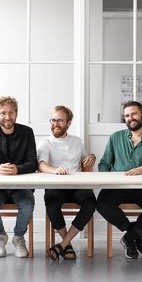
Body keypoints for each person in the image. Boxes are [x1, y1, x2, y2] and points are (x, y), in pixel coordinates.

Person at [97, 101, 142, 259]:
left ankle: (129, 239)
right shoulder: (115, 137)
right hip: (117, 187)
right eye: (127, 115)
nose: (130, 118)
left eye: (134, 114)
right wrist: (108, 179)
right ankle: (133, 234)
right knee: (101, 204)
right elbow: (104, 163)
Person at [0, 96, 38, 258]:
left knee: (28, 203)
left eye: (11, 112)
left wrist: (17, 169)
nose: (8, 117)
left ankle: (18, 238)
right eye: (3, 113)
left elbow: (33, 163)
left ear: (16, 113)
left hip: (21, 187)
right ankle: (0, 236)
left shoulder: (27, 132)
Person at [37, 105, 97, 261]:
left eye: (60, 120)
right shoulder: (45, 142)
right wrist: (55, 170)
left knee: (91, 202)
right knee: (50, 199)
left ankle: (62, 245)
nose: (55, 124)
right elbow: (41, 165)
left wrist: (91, 157)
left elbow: (86, 163)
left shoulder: (77, 141)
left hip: (77, 185)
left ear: (68, 123)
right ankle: (67, 245)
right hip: (56, 185)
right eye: (53, 120)